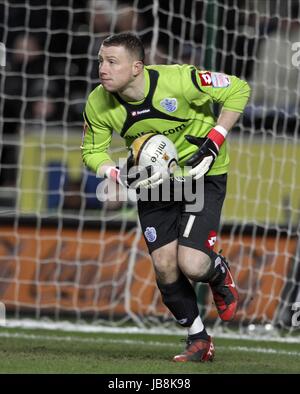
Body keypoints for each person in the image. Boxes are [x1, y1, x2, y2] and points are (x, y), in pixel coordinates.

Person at [81, 33, 251, 362]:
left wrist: (215, 139)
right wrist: (118, 174)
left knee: (192, 263)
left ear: (137, 68)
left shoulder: (179, 80)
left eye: (112, 62)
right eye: (101, 60)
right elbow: (92, 152)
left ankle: (217, 271)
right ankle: (198, 338)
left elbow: (238, 89)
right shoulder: (98, 102)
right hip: (155, 181)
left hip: (200, 172)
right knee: (164, 267)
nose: (103, 68)